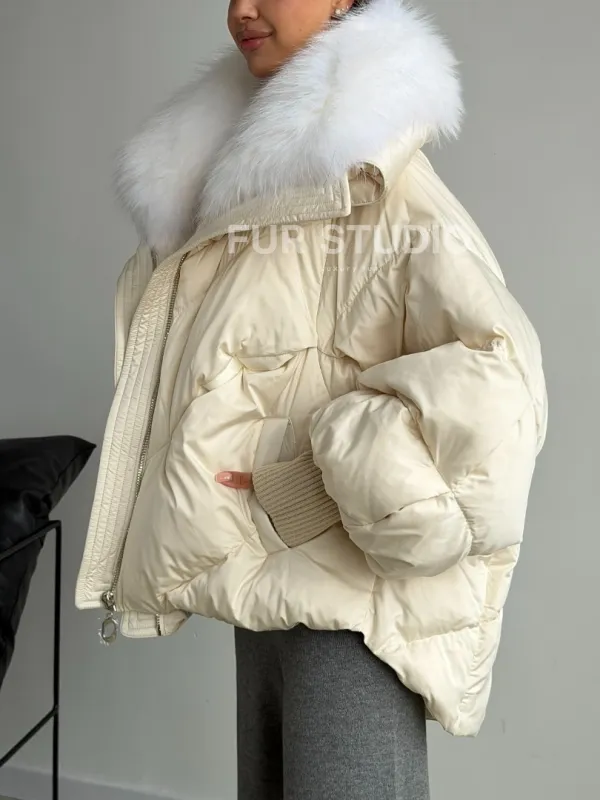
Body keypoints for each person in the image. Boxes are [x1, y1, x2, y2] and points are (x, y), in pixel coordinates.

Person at [75, 0, 548, 797]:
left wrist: (310, 491)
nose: (241, 9)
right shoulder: (258, 188)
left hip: (350, 615)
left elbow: (501, 388)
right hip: (268, 585)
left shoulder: (378, 189)